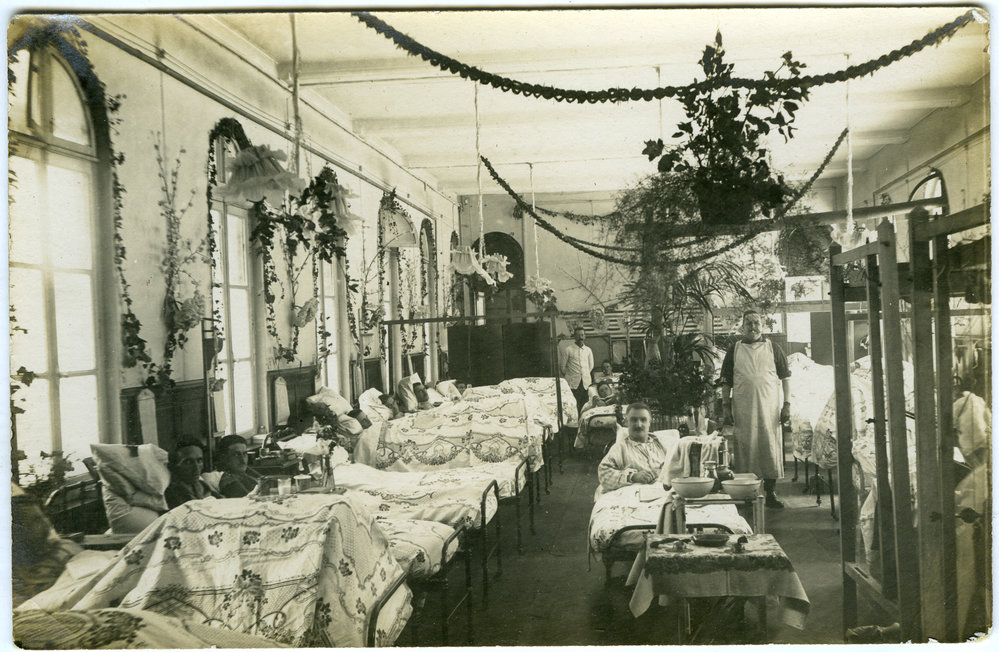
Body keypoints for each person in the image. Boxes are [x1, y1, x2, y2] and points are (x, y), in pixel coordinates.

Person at [720, 310, 792, 509]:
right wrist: (726, 407)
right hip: (743, 408)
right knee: (746, 448)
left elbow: (786, 378)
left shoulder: (774, 348)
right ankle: (746, 493)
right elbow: (725, 381)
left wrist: (787, 405)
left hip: (769, 408)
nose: (753, 327)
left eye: (756, 323)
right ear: (742, 327)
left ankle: (770, 493)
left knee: (769, 447)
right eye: (749, 323)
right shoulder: (733, 350)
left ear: (763, 326)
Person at [597, 402, 669, 495]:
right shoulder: (620, 447)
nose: (639, 425)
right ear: (627, 422)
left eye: (643, 420)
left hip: (662, 494)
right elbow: (604, 474)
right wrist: (632, 477)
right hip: (634, 497)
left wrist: (662, 471)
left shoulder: (661, 444)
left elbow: (675, 466)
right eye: (634, 420)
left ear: (649, 422)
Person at [165, 439, 221, 509]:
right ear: (173, 466)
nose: (196, 468)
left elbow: (223, 502)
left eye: (199, 461)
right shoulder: (173, 493)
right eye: (188, 462)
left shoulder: (202, 485)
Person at [560, 326, 594, 415]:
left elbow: (591, 366)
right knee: (574, 405)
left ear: (585, 336)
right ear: (574, 336)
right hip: (573, 383)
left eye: (582, 335)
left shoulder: (588, 350)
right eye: (578, 335)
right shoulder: (568, 350)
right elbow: (562, 367)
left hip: (585, 383)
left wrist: (584, 375)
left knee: (585, 405)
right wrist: (570, 377)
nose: (581, 337)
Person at [216, 434, 262, 498]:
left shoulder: (243, 469)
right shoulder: (227, 479)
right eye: (236, 455)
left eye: (244, 454)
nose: (242, 459)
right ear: (223, 457)